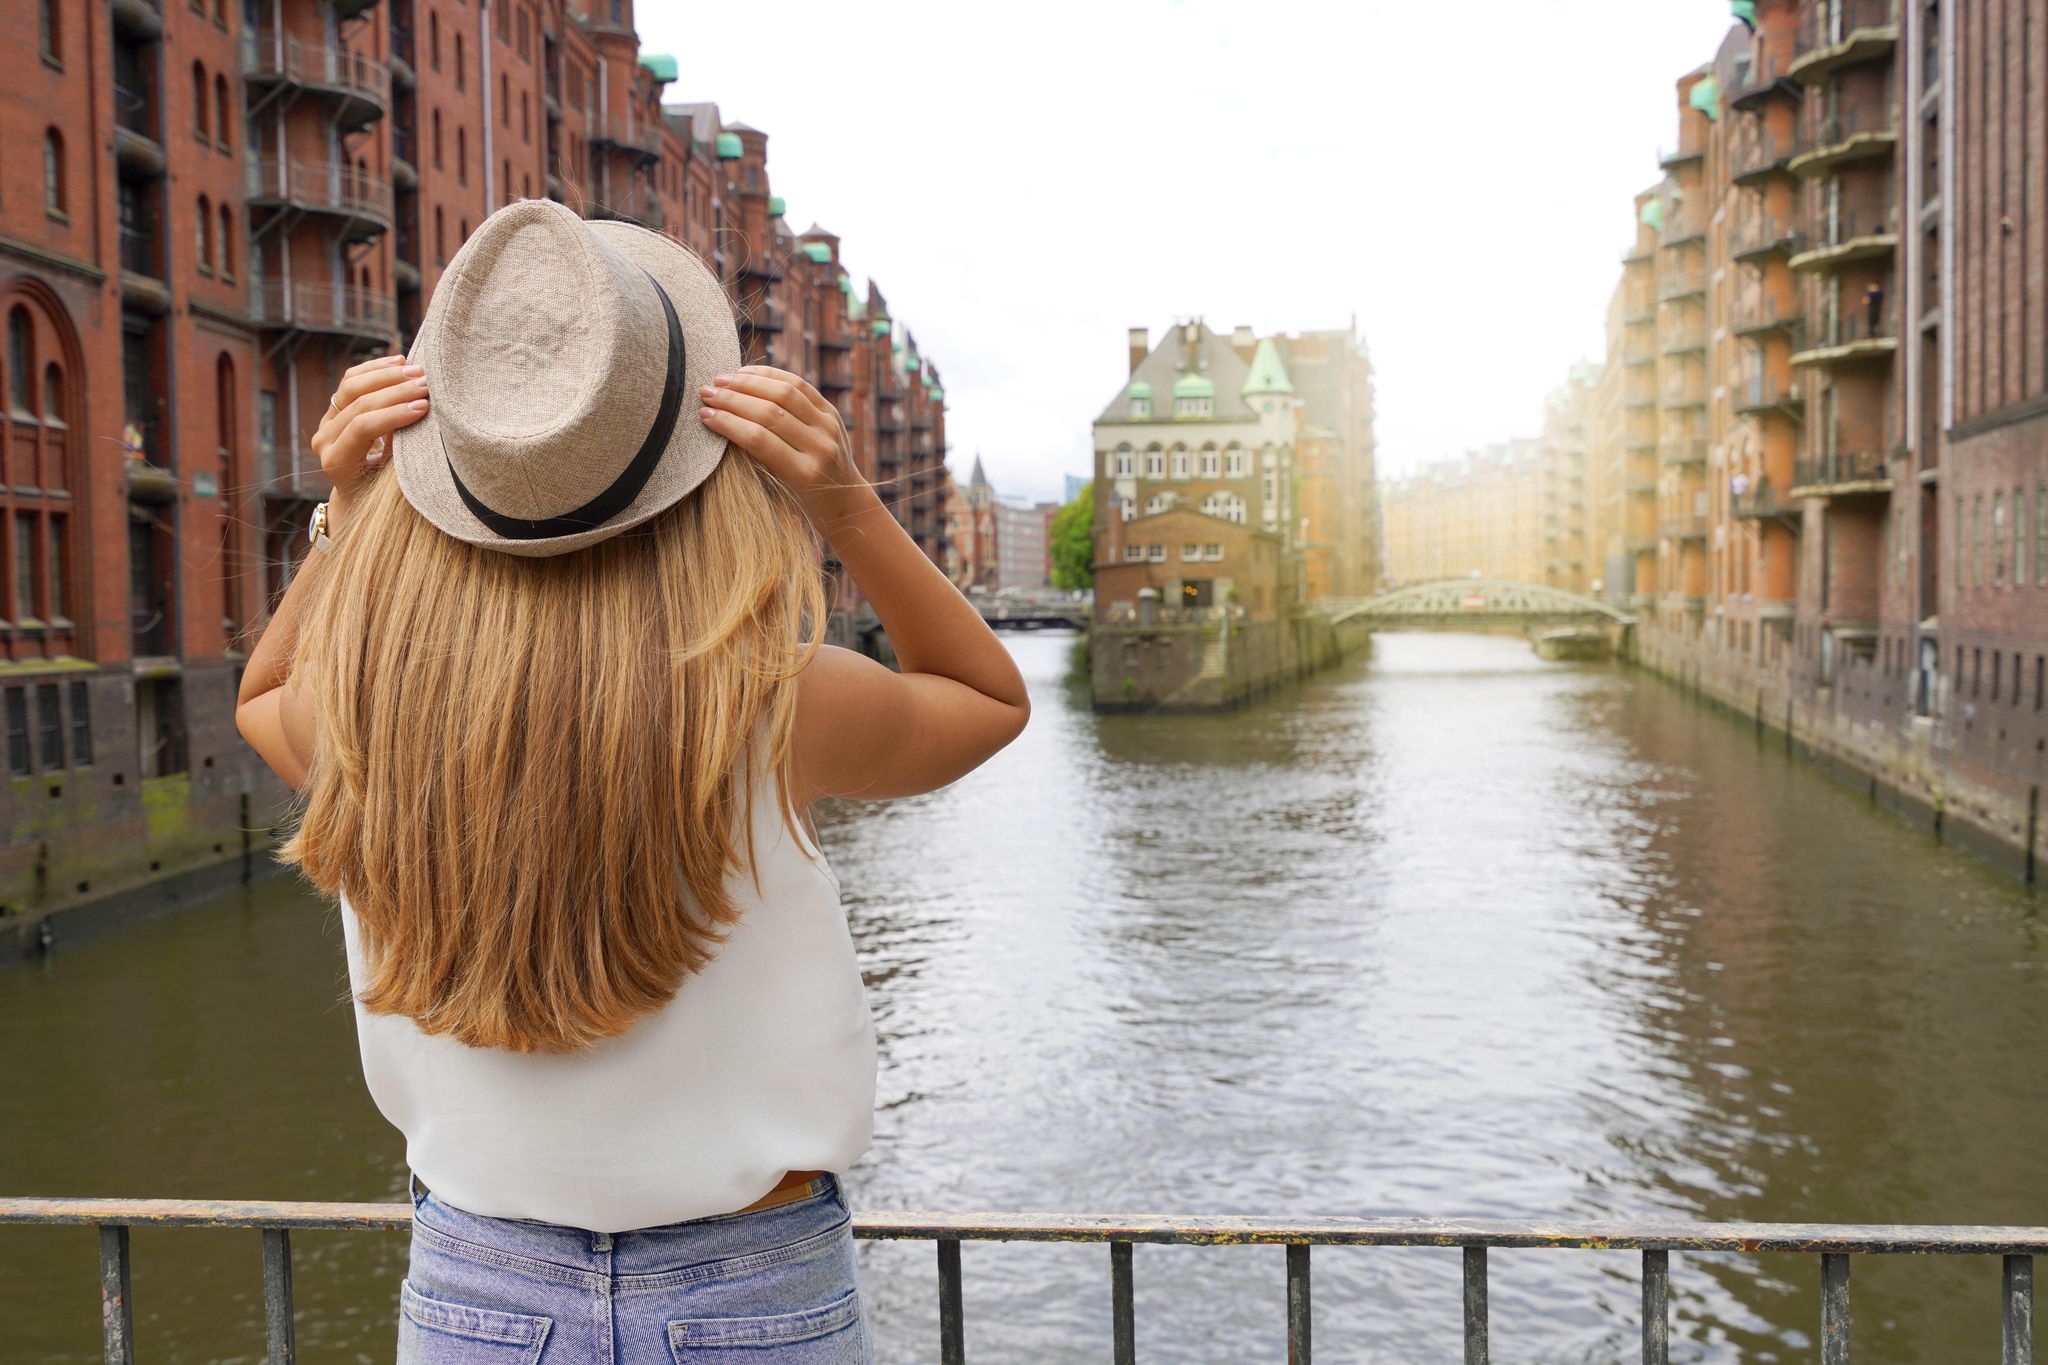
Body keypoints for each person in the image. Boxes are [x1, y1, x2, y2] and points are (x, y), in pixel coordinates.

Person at [234, 200, 1029, 1361]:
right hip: (752, 1290)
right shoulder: (760, 698)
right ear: (693, 459)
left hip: (478, 1288)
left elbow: (262, 696)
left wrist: (349, 513)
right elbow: (989, 702)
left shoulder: (370, 712)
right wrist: (843, 501)